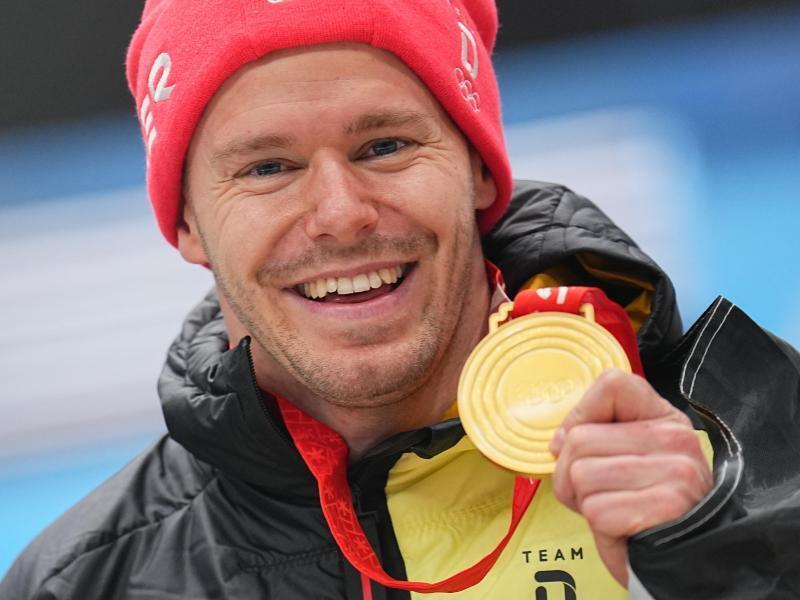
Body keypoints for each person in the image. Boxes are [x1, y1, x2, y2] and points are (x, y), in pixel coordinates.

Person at [3, 1, 799, 598]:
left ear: (481, 170)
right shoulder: (83, 581)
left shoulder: (750, 455)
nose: (341, 212)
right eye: (267, 168)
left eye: (385, 146)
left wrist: (721, 566)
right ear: (186, 222)